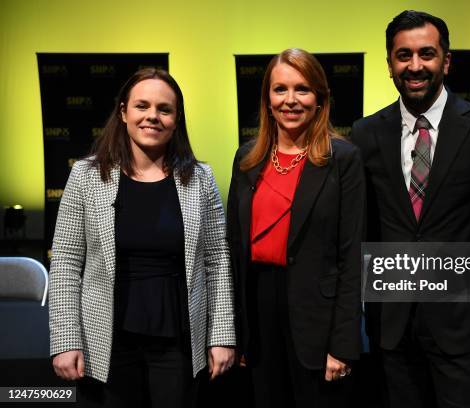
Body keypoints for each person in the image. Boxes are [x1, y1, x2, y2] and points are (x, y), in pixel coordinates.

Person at [350, 10, 470, 408]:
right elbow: (366, 229)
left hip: (462, 327)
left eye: (426, 54)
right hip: (391, 328)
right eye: (403, 55)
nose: (415, 66)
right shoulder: (365, 133)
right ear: (389, 64)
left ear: (446, 60)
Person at [48, 67, 235, 407]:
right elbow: (65, 262)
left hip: (178, 341)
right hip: (105, 341)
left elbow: (217, 261)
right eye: (142, 106)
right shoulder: (85, 176)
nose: (153, 116)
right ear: (123, 112)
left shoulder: (201, 179)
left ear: (176, 119)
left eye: (164, 109)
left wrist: (222, 336)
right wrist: (64, 339)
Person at [227, 48, 365, 408]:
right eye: (280, 90)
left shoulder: (343, 159)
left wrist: (343, 344)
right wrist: (237, 334)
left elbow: (351, 258)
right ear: (267, 99)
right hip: (259, 314)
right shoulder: (246, 159)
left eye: (302, 89)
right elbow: (233, 250)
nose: (290, 100)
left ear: (320, 99)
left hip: (316, 320)